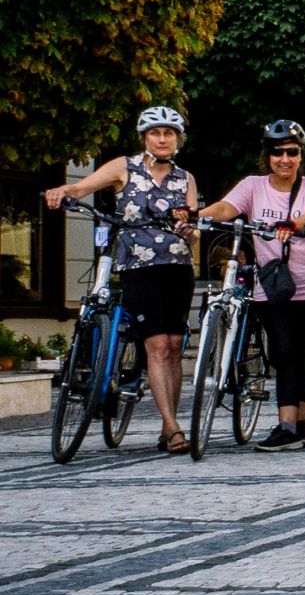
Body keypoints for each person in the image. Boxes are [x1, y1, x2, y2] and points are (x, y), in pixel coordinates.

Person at [49, 107, 199, 453]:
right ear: (144, 137)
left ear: (177, 139)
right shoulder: (124, 167)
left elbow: (192, 231)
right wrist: (62, 190)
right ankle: (174, 428)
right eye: (155, 133)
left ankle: (167, 423)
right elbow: (82, 187)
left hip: (177, 267)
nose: (162, 139)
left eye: (169, 133)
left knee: (175, 348)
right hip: (138, 268)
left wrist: (188, 228)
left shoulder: (185, 178)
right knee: (157, 346)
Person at [199, 121, 305, 450]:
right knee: (283, 351)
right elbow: (226, 208)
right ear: (268, 156)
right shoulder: (252, 186)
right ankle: (288, 426)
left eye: (292, 152)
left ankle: (301, 425)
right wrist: (196, 214)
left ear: (300, 156)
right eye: (277, 153)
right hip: (275, 286)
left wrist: (295, 222)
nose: (285, 159)